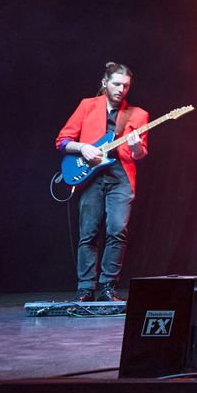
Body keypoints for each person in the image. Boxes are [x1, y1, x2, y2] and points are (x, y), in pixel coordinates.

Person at [55, 63, 149, 302]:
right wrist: (84, 148)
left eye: (126, 85)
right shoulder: (88, 106)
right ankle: (86, 287)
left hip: (121, 177)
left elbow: (140, 154)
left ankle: (108, 285)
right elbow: (63, 141)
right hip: (91, 175)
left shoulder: (138, 115)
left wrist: (137, 146)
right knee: (88, 232)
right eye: (117, 83)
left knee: (118, 230)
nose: (121, 89)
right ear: (105, 82)